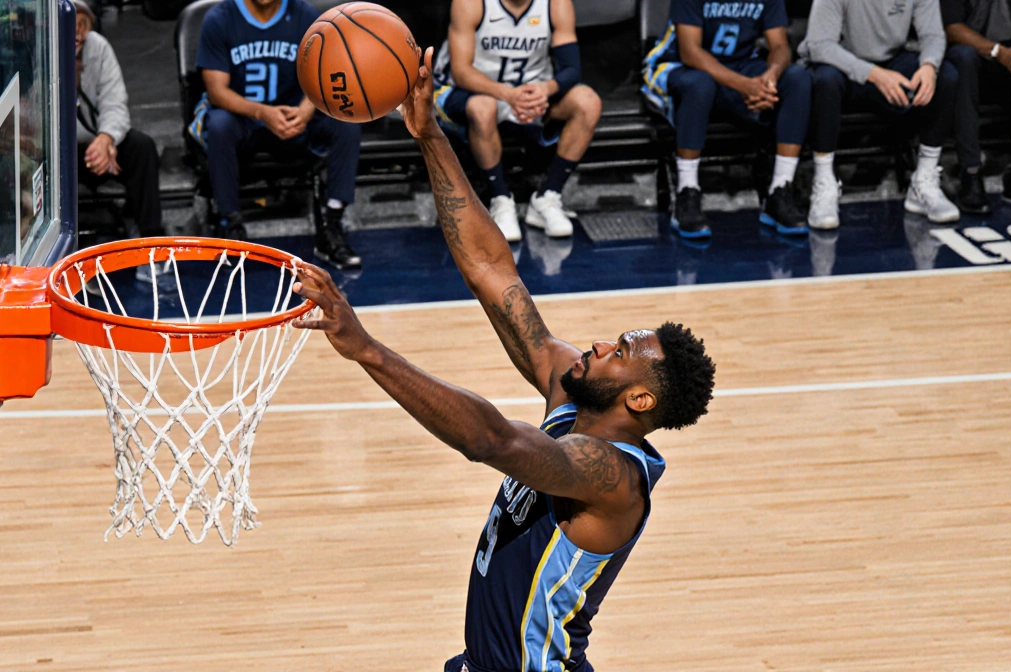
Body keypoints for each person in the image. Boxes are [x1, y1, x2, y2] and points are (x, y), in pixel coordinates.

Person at [292, 48, 716, 672]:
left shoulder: (613, 481)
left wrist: (366, 348)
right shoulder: (572, 391)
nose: (600, 345)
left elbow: (491, 439)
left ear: (641, 400)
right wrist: (430, 132)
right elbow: (492, 269)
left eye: (620, 353)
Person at [195, 0, 361, 269]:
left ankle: (332, 224)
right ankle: (230, 224)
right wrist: (262, 113)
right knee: (219, 125)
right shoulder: (220, 18)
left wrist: (307, 108)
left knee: (346, 121)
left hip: (294, 116)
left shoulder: (306, 16)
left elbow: (327, 74)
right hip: (245, 118)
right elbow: (216, 91)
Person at [432, 0, 602, 241]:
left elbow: (572, 69)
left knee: (588, 102)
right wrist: (508, 95)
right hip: (469, 92)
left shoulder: (556, 4)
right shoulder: (471, 4)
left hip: (530, 93)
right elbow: (461, 72)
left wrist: (545, 89)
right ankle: (500, 199)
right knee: (483, 108)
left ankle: (547, 197)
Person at [642, 0, 812, 239]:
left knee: (797, 79)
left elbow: (780, 45)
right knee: (700, 85)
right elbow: (690, 52)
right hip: (676, 67)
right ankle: (687, 191)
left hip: (740, 68)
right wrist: (745, 86)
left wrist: (769, 79)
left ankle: (780, 190)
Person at [800, 0, 962, 228]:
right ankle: (823, 183)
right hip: (844, 66)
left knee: (946, 75)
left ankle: (923, 181)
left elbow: (933, 34)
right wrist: (874, 74)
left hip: (891, 61)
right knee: (824, 79)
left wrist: (929, 66)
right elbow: (818, 45)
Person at [73, 0, 164, 239]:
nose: (78, 33)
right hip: (60, 154)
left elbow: (116, 103)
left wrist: (106, 139)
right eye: (70, 25)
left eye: (83, 25)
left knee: (142, 148)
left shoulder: (98, 47)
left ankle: (151, 238)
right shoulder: (40, 55)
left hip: (97, 147)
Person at [943, 0, 1011, 213]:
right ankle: (970, 171)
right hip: (971, 54)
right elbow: (951, 27)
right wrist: (999, 53)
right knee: (964, 59)